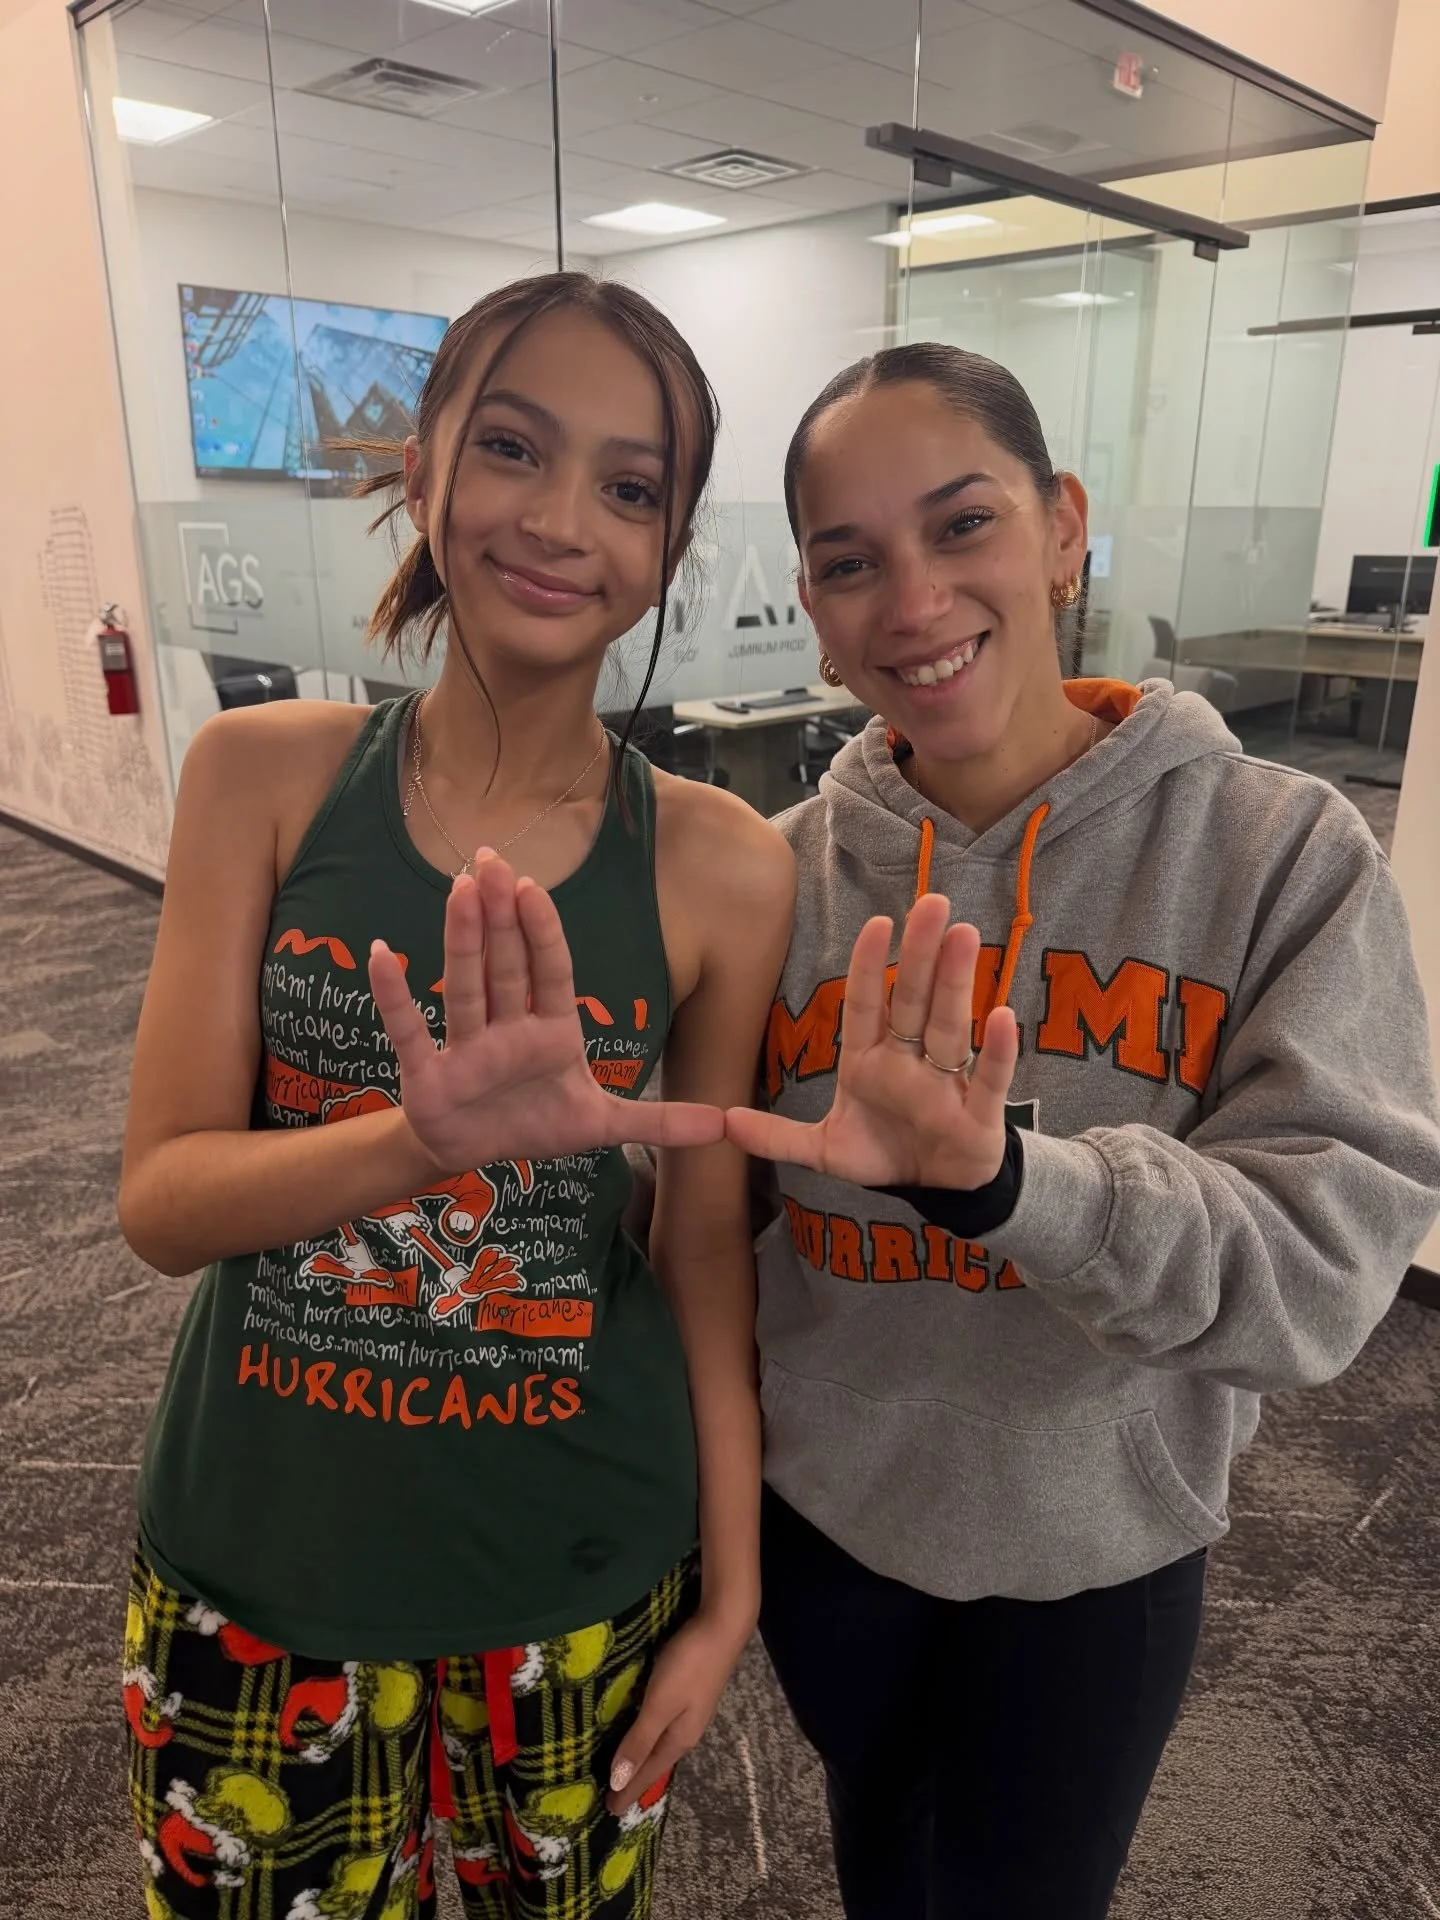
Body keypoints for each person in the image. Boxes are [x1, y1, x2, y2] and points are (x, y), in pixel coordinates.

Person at [725, 343, 1440, 1920]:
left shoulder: (1278, 854)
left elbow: (1325, 1271)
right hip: (831, 1518)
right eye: (851, 563)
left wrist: (1006, 1187)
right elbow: (700, 1226)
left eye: (962, 524)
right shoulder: (770, 877)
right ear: (816, 607)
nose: (911, 601)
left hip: (1098, 1547)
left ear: (1062, 527)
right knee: (880, 1869)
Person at [116, 271, 794, 1920]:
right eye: (511, 446)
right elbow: (160, 1203)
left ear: (669, 548)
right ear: (421, 468)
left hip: (575, 1580)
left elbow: (703, 1249)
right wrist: (415, 1143)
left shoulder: (721, 865)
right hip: (265, 1562)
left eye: (632, 487)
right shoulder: (262, 780)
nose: (564, 520)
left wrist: (731, 1600)